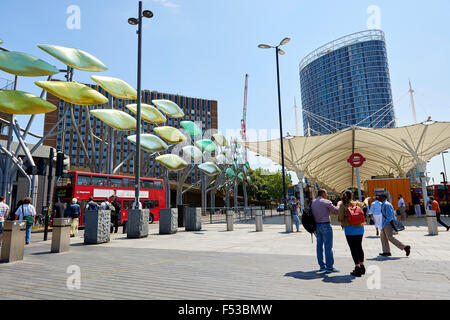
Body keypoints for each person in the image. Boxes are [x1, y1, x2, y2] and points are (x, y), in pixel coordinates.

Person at [311, 189, 340, 273]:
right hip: (326, 225)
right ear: (323, 194)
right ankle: (330, 267)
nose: (326, 195)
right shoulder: (326, 202)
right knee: (328, 246)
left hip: (317, 226)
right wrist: (339, 204)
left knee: (319, 247)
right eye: (326, 193)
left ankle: (322, 266)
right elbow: (336, 210)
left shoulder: (313, 202)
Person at [338, 190, 365, 277]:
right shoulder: (356, 203)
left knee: (353, 248)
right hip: (360, 228)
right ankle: (362, 266)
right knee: (359, 247)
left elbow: (340, 217)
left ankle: (357, 268)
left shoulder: (343, 205)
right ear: (351, 196)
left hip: (349, 229)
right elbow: (364, 205)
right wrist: (366, 200)